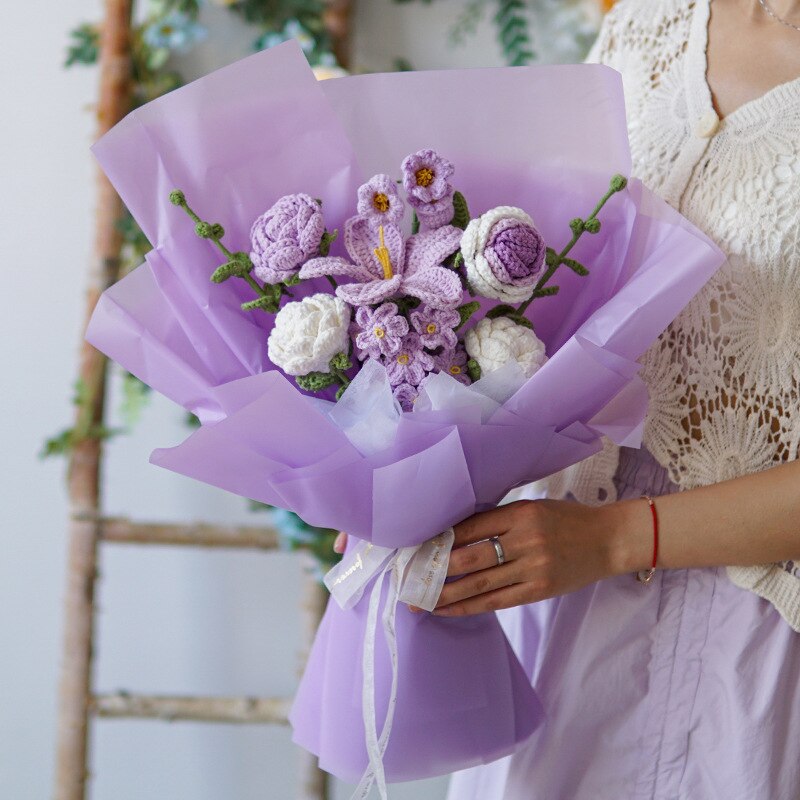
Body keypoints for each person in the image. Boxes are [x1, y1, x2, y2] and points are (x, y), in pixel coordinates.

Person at [336, 0, 800, 796]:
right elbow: (534, 287)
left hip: (756, 635)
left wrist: (613, 540)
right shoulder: (650, 21)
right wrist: (406, 472)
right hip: (549, 577)